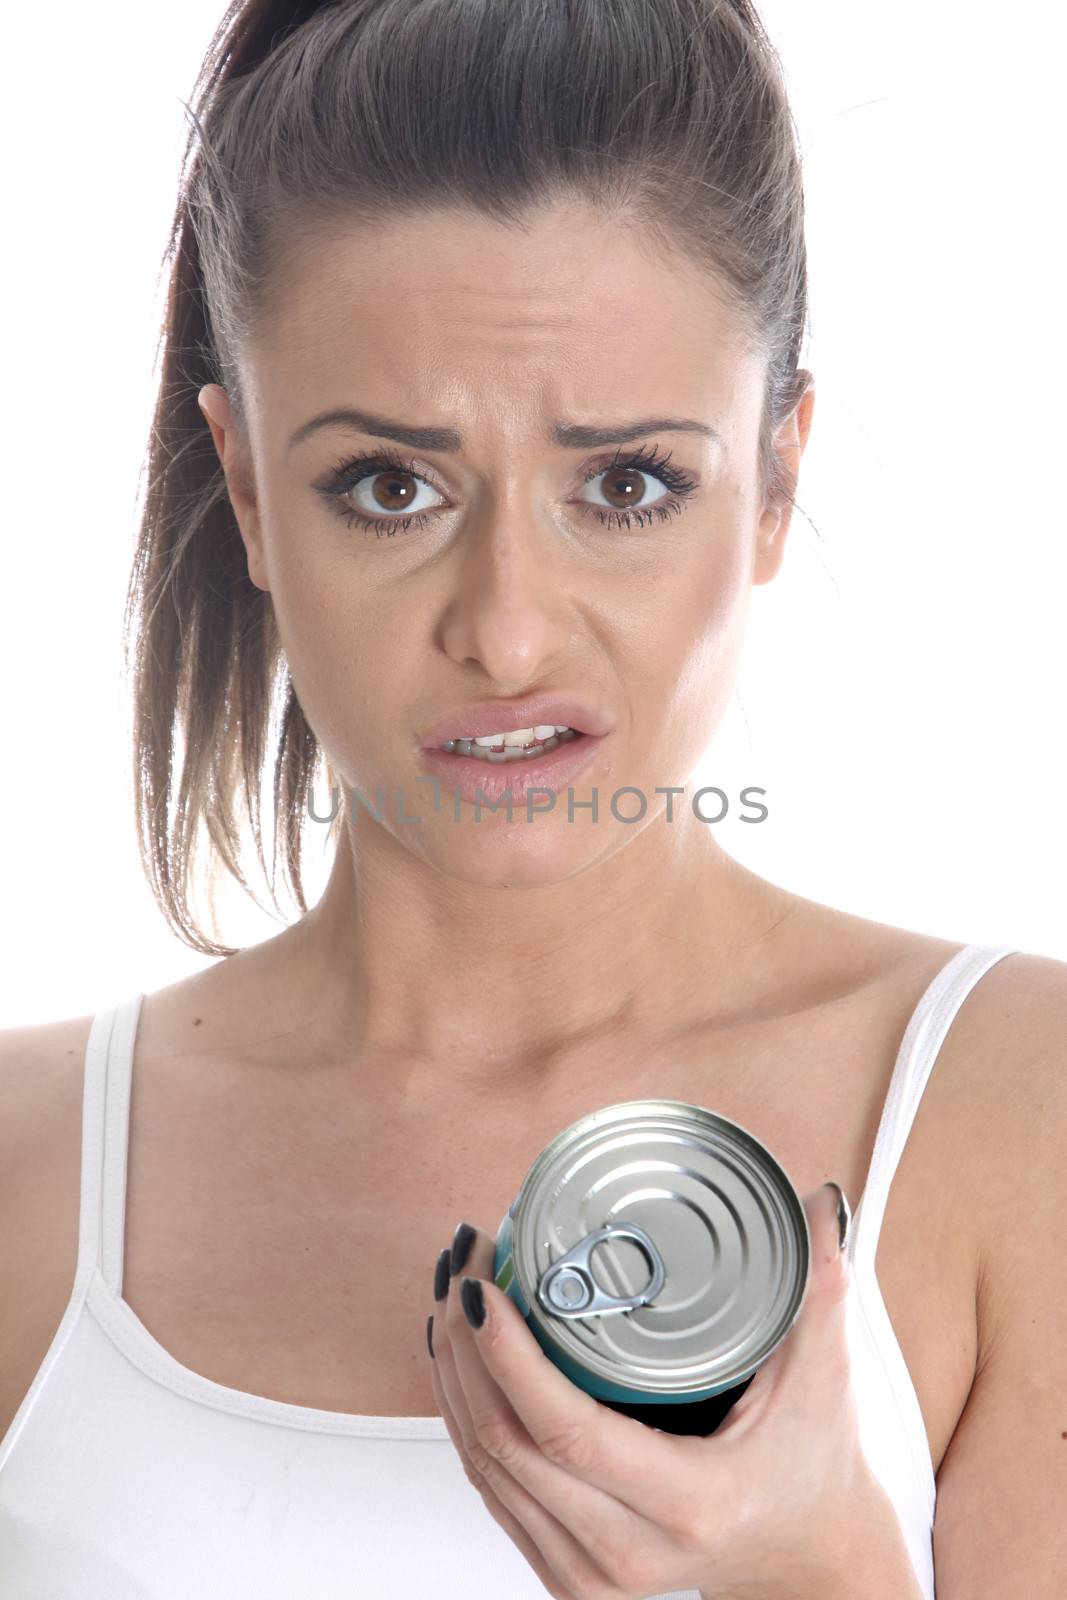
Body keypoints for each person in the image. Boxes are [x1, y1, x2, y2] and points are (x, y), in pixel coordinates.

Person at [1, 1, 1063, 1596]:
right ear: (242, 488)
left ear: (775, 481)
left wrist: (815, 1574)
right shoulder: (22, 1163)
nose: (503, 627)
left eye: (628, 483)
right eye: (389, 485)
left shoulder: (1023, 1116)